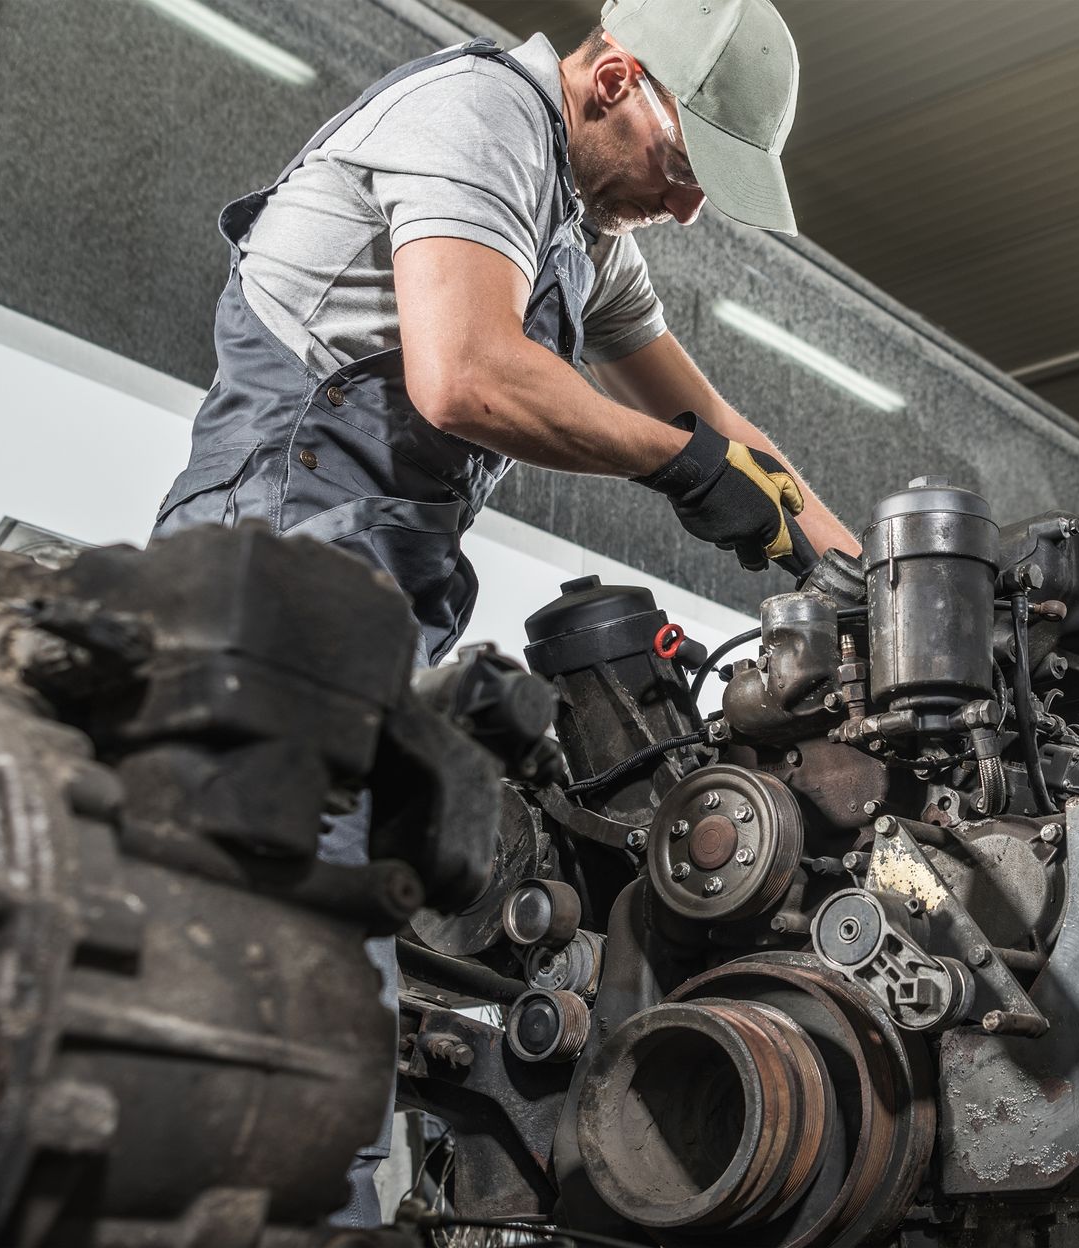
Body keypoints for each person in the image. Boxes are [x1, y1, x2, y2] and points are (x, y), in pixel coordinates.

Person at [152, 0, 854, 1225]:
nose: (690, 208)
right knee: (301, 910)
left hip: (380, 579)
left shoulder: (587, 236)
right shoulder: (476, 116)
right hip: (278, 548)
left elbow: (731, 436)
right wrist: (678, 470)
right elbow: (465, 370)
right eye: (686, 168)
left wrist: (861, 578)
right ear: (613, 79)